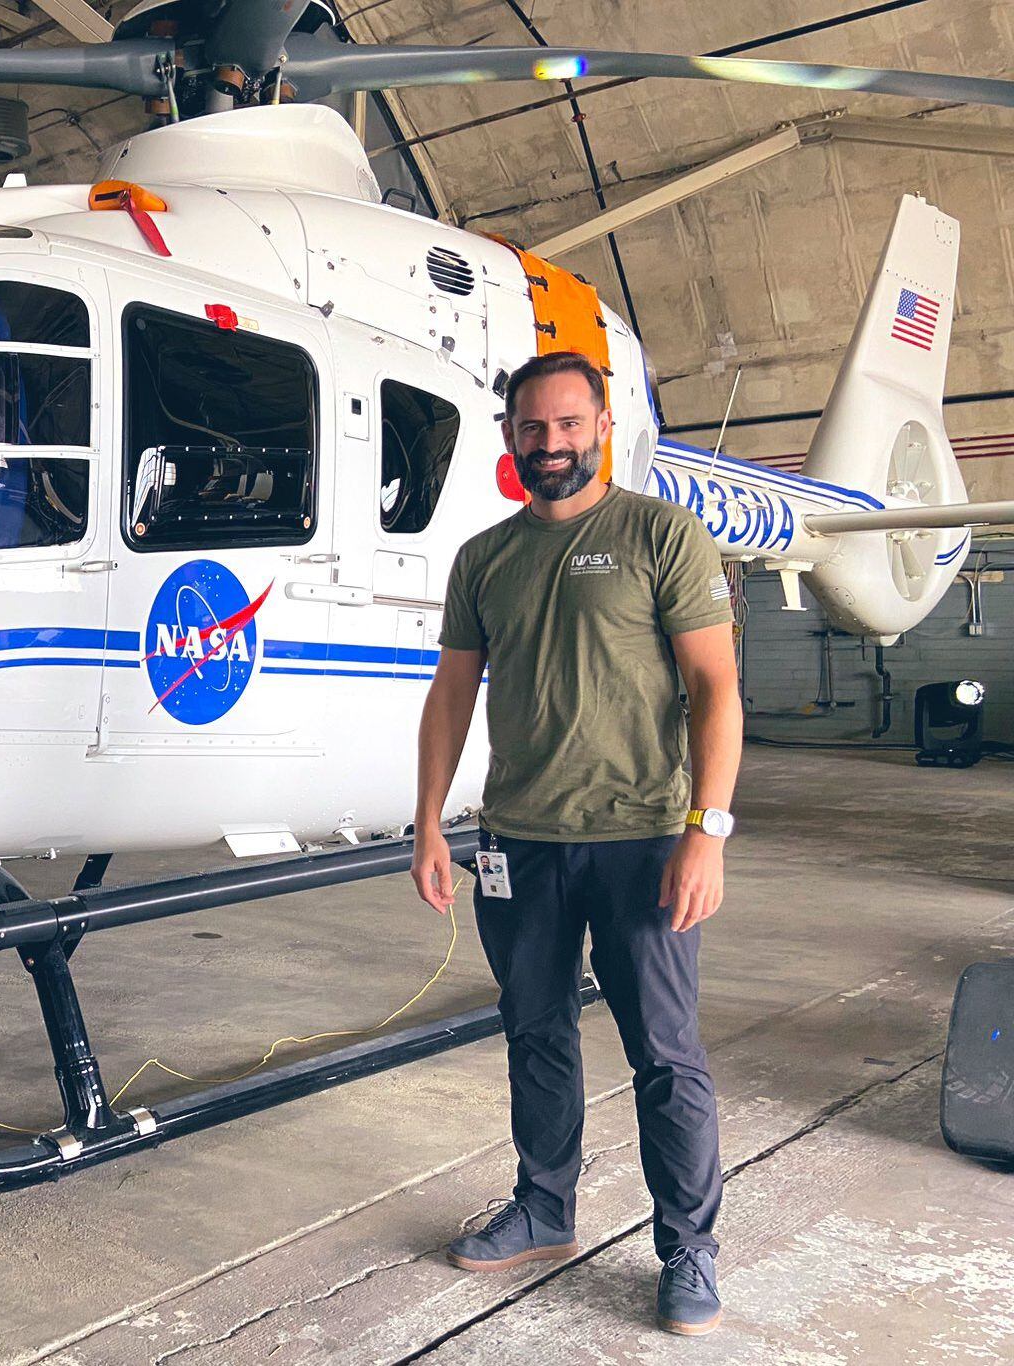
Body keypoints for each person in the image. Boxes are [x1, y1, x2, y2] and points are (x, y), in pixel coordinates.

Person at [410, 351, 743, 1336]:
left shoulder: (657, 535)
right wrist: (429, 818)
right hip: (518, 843)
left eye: (566, 425)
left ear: (599, 424)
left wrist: (705, 830)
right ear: (508, 434)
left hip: (641, 841)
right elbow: (450, 692)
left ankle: (687, 1253)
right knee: (535, 1032)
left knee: (664, 1056)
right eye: (529, 428)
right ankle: (543, 1207)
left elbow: (716, 688)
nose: (548, 444)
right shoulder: (484, 557)